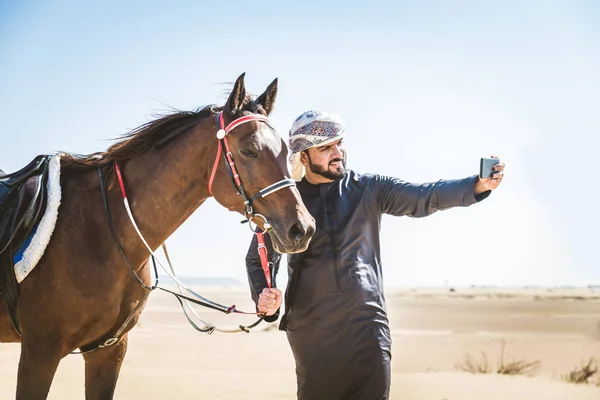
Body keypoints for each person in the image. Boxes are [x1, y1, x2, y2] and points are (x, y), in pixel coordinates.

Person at [245, 110, 505, 400]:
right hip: (311, 330)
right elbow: (259, 257)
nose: (338, 152)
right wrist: (263, 294)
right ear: (303, 157)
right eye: (326, 147)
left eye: (339, 143)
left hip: (366, 325)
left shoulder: (369, 188)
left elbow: (424, 197)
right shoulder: (287, 202)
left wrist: (476, 186)